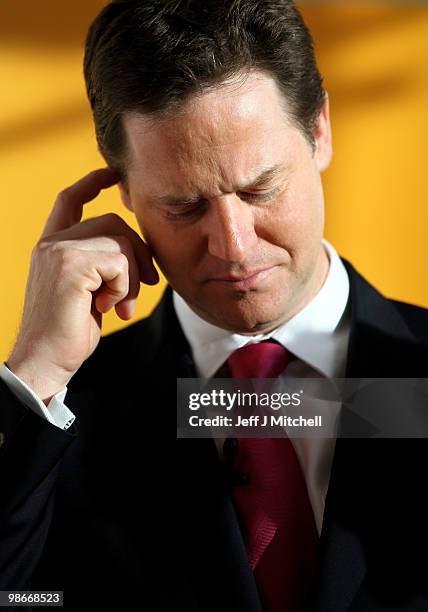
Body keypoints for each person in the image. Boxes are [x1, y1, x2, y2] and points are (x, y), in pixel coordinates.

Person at [0, 1, 427, 610]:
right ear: (121, 191)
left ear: (321, 131)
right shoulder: (59, 418)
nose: (234, 247)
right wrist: (34, 378)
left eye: (261, 188)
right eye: (182, 206)